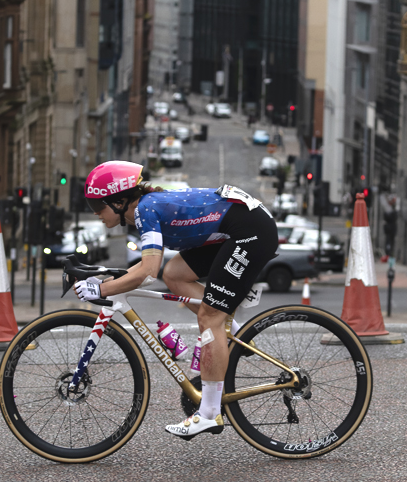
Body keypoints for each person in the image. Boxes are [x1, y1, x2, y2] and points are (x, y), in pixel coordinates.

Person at [74, 160, 278, 440]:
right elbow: (152, 269)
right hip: (237, 227)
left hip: (250, 231)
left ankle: (208, 413)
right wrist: (107, 283)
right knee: (175, 274)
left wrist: (103, 290)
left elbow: (146, 272)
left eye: (98, 207)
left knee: (209, 317)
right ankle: (229, 326)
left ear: (119, 201)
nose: (96, 213)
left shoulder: (145, 209)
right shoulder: (145, 208)